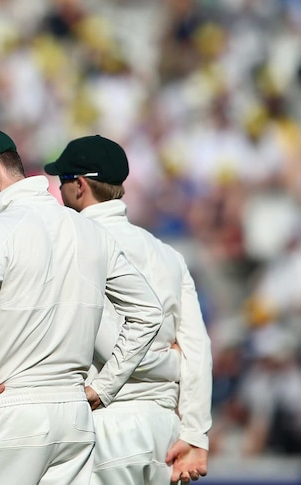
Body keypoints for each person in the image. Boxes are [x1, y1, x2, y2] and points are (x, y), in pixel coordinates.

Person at [0, 127, 164, 485]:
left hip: (9, 413)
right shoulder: (89, 230)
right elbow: (148, 311)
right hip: (73, 419)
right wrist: (104, 387)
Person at [45, 134, 213, 484]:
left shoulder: (75, 247)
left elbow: (109, 340)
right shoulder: (167, 254)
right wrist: (195, 433)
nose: (58, 193)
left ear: (78, 185)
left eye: (62, 183)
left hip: (105, 424)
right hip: (166, 431)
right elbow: (197, 349)